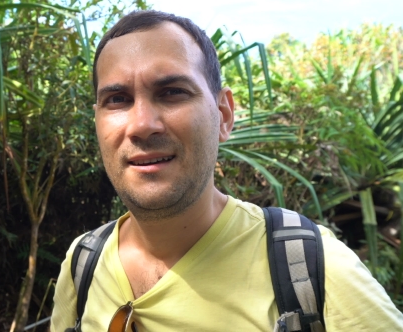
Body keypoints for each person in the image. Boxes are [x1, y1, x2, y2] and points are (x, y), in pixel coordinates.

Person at [50, 10, 403, 331]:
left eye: (172, 92)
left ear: (223, 115)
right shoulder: (83, 263)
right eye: (117, 99)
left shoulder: (317, 269)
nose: (142, 124)